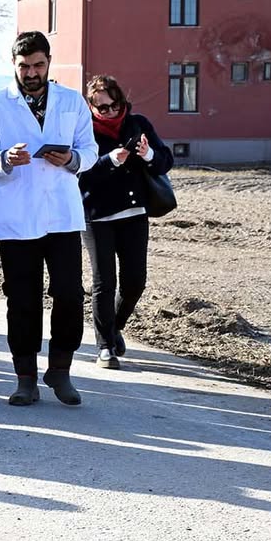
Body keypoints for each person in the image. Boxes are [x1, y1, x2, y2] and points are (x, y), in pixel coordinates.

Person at [0, 31, 97, 406]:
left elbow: (90, 150)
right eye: (24, 66)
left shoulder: (71, 101)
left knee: (70, 295)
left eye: (38, 65)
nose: (31, 72)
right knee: (22, 299)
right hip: (17, 217)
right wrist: (4, 161)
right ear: (14, 64)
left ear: (48, 62)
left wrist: (73, 160)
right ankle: (25, 376)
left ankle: (60, 369)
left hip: (61, 215)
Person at [78, 75, 172, 369]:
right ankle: (105, 346)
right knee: (104, 282)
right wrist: (110, 161)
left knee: (135, 281)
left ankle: (115, 326)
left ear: (121, 100)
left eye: (113, 105)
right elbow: (78, 174)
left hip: (134, 215)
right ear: (91, 106)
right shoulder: (84, 130)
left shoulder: (138, 123)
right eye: (101, 107)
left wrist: (148, 154)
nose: (108, 112)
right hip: (97, 216)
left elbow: (166, 161)